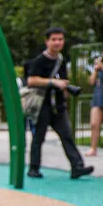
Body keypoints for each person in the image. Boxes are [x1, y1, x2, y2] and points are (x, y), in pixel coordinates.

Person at [26, 27, 93, 179]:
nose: (57, 42)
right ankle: (34, 168)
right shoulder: (39, 60)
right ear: (47, 41)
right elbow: (31, 80)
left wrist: (65, 89)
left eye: (60, 39)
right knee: (39, 138)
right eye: (54, 39)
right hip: (42, 104)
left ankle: (77, 166)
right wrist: (52, 82)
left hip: (58, 105)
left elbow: (61, 80)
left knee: (67, 135)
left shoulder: (61, 60)